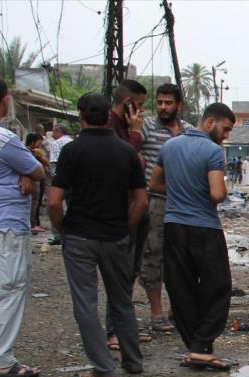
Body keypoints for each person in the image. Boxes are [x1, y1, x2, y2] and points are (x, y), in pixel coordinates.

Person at [48, 93, 148, 377]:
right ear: (107, 116)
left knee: (85, 304)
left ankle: (103, 368)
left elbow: (54, 201)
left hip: (79, 235)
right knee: (121, 300)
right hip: (116, 236)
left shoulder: (72, 151)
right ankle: (133, 360)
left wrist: (62, 228)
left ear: (81, 116)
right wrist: (126, 228)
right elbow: (141, 202)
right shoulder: (126, 151)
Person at [149, 103, 236, 371]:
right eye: (225, 129)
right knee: (217, 286)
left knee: (180, 286)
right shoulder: (212, 152)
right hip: (204, 227)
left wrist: (179, 191)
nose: (225, 136)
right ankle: (202, 344)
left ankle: (195, 347)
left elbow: (154, 184)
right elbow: (217, 194)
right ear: (210, 122)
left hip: (174, 225)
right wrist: (204, 190)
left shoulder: (169, 147)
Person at [0, 75, 44, 377]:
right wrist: (26, 175)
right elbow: (37, 169)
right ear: (5, 100)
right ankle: (2, 358)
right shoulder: (1, 138)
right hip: (3, 223)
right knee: (7, 286)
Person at [139, 83, 193, 333]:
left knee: (181, 257)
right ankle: (156, 311)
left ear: (178, 106)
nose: (162, 107)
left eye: (168, 103)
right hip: (156, 201)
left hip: (183, 203)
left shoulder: (189, 132)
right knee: (153, 254)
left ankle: (177, 308)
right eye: (159, 102)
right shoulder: (147, 127)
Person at [105, 79, 151, 350]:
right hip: (122, 209)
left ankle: (124, 328)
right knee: (120, 274)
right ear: (127, 103)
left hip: (136, 206)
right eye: (140, 106)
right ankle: (115, 331)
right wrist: (135, 134)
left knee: (130, 273)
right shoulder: (112, 127)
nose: (142, 112)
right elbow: (124, 162)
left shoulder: (125, 127)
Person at [47, 124, 73, 245]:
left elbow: (54, 164)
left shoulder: (56, 143)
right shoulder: (73, 142)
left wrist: (54, 181)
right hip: (74, 180)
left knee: (54, 205)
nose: (52, 135)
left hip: (60, 180)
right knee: (71, 206)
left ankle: (58, 235)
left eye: (53, 132)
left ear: (58, 131)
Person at [24, 133, 51, 234]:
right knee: (34, 202)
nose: (40, 143)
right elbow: (46, 163)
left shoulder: (24, 150)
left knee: (33, 202)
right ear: (33, 141)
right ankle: (33, 225)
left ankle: (34, 223)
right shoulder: (35, 152)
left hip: (29, 181)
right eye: (39, 141)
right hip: (34, 181)